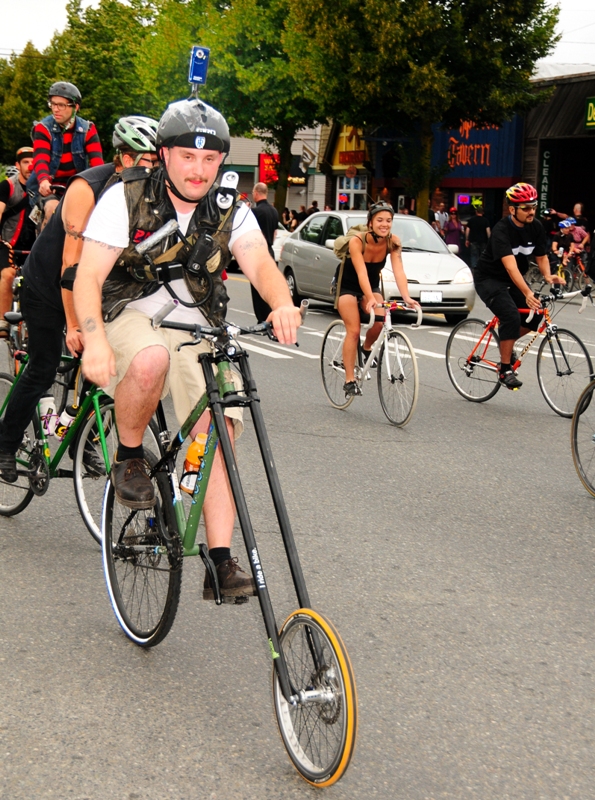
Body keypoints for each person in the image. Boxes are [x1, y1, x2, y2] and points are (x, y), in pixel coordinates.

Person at [72, 98, 301, 601]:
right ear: (165, 154)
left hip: (198, 323)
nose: (199, 170)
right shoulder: (125, 196)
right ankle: (130, 455)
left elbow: (260, 263)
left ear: (221, 161)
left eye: (210, 159)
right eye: (187, 157)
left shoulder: (228, 207)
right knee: (151, 358)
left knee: (216, 433)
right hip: (131, 312)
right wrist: (91, 338)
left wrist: (282, 302)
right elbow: (88, 275)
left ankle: (219, 560)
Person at [0, 116, 159, 482]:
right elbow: (71, 263)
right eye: (141, 160)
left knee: (104, 365)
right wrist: (74, 324)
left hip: (96, 287)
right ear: (121, 158)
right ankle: (5, 444)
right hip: (47, 284)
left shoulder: (148, 193)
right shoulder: (88, 187)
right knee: (43, 366)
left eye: (153, 162)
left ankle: (82, 442)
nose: (148, 169)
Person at [472, 183, 563, 390]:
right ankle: (505, 370)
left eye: (533, 206)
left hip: (512, 280)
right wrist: (528, 292)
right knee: (511, 316)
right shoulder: (501, 230)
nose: (532, 211)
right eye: (526, 208)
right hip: (489, 279)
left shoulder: (536, 227)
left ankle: (507, 341)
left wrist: (549, 276)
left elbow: (540, 256)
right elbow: (511, 267)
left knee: (537, 314)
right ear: (512, 209)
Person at [336, 202, 420, 396]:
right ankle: (349, 380)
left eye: (389, 220)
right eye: (380, 220)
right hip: (348, 285)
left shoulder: (393, 241)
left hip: (371, 286)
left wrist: (406, 297)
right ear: (370, 223)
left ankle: (366, 350)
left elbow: (399, 271)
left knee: (380, 321)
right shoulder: (357, 241)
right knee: (354, 330)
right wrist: (368, 298)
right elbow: (361, 273)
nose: (385, 224)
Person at [27, 81, 104, 229]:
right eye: (53, 104)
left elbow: (97, 165)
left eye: (61, 105)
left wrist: (99, 188)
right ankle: (46, 251)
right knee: (53, 210)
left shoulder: (88, 129)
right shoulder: (43, 128)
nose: (55, 109)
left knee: (89, 218)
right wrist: (43, 180)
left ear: (75, 108)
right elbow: (40, 159)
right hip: (49, 187)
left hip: (75, 187)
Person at [0, 147, 36, 336]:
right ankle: (3, 321)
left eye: (34, 161)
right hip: (7, 244)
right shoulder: (8, 186)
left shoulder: (43, 188)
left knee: (39, 282)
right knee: (7, 275)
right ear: (17, 165)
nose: (30, 166)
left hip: (34, 246)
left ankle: (34, 324)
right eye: (25, 162)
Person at [250, 181, 279, 322]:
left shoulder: (255, 212)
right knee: (269, 284)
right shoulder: (274, 211)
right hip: (270, 249)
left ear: (256, 193)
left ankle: (262, 318)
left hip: (258, 250)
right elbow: (274, 232)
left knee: (257, 287)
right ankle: (271, 313)